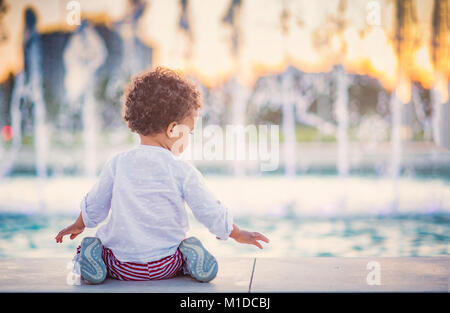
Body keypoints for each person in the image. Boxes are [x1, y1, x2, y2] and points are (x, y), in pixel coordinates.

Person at [55, 67, 269, 284]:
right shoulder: (181, 170)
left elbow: (95, 204)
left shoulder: (118, 164)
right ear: (173, 130)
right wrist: (237, 233)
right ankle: (187, 256)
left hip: (120, 264)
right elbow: (209, 210)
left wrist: (79, 224)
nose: (190, 138)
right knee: (180, 248)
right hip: (165, 265)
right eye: (190, 131)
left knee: (96, 246)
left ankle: (90, 254)